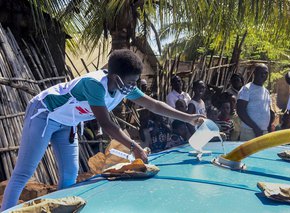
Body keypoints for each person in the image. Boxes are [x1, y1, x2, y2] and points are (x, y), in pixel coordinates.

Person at [1, 49, 205, 211]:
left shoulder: (125, 86)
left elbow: (154, 105)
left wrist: (188, 118)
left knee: (70, 173)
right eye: (131, 82)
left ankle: (62, 208)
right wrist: (134, 146)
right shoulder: (95, 85)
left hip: (69, 122)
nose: (133, 87)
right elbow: (107, 124)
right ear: (115, 77)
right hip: (45, 114)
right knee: (24, 173)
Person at [237, 63, 273, 141]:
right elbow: (241, 111)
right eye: (261, 73)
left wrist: (269, 128)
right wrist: (255, 128)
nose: (263, 75)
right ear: (254, 73)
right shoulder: (246, 89)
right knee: (248, 153)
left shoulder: (266, 91)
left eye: (266, 73)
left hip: (263, 132)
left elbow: (268, 110)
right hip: (249, 131)